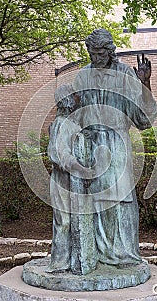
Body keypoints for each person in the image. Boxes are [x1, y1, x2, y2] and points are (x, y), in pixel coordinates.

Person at [71, 28, 157, 269]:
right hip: (91, 145)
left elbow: (143, 120)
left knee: (121, 199)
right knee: (96, 200)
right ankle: (96, 254)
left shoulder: (124, 75)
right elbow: (75, 115)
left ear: (110, 52)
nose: (94, 58)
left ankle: (123, 254)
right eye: (91, 53)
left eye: (99, 53)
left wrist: (145, 84)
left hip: (117, 143)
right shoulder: (82, 76)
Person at [46, 84, 94, 273]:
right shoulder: (60, 124)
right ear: (66, 100)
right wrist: (82, 170)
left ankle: (76, 261)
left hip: (74, 182)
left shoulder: (73, 124)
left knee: (76, 222)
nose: (78, 98)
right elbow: (59, 155)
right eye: (74, 96)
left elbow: (78, 147)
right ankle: (59, 263)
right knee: (63, 221)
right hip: (62, 180)